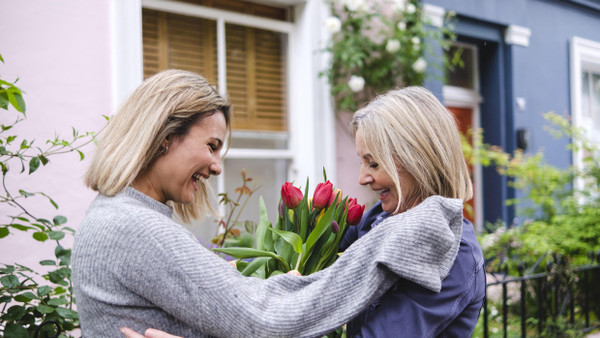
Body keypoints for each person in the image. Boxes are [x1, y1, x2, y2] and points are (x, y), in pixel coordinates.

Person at [72, 69, 465, 338]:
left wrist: (276, 289)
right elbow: (262, 319)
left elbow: (264, 311)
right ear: (163, 136)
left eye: (372, 162)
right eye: (211, 146)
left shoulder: (453, 251)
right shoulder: (134, 229)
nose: (216, 165)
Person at [339, 86, 486, 337]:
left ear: (417, 161)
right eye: (361, 161)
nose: (362, 178)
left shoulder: (454, 253)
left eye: (373, 163)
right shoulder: (380, 217)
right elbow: (320, 251)